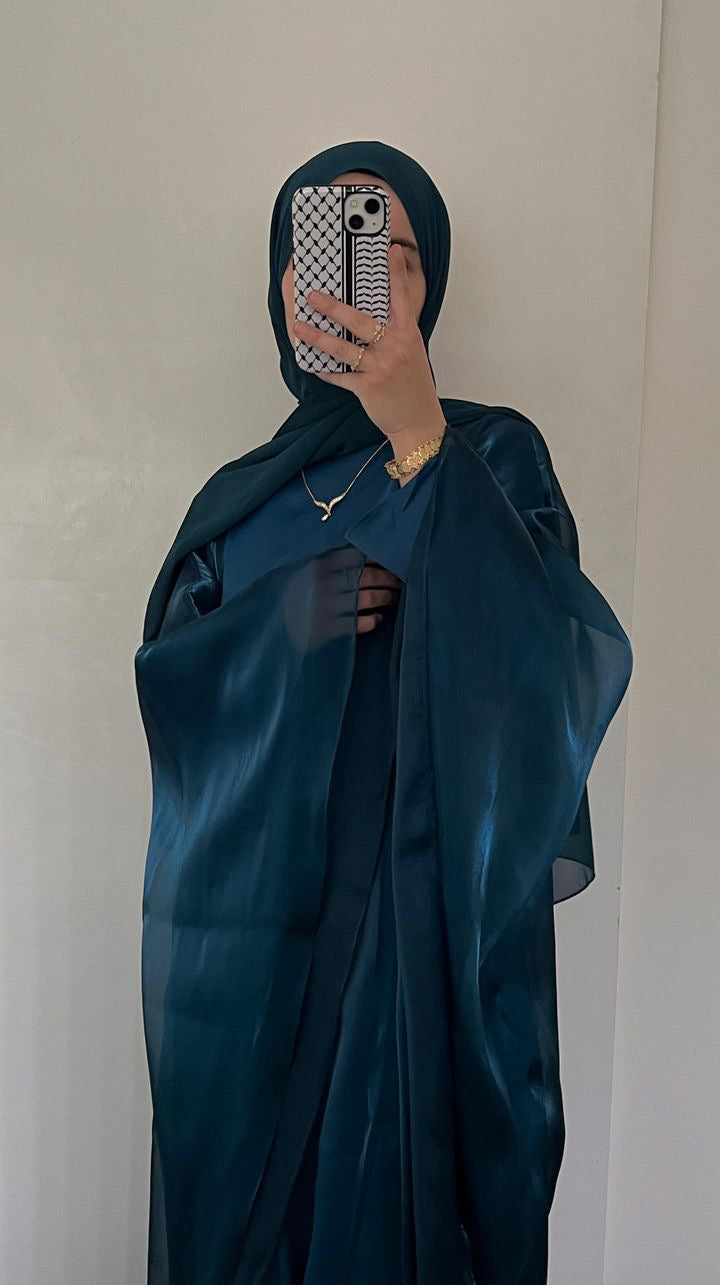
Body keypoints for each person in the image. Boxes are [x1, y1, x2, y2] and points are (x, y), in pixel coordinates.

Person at [134, 140, 633, 1285]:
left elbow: (550, 675)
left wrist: (419, 437)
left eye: (384, 250)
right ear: (283, 284)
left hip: (413, 952)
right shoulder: (238, 500)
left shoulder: (491, 455)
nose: (348, 280)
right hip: (252, 960)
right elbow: (172, 699)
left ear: (425, 282)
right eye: (319, 251)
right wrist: (282, 626)